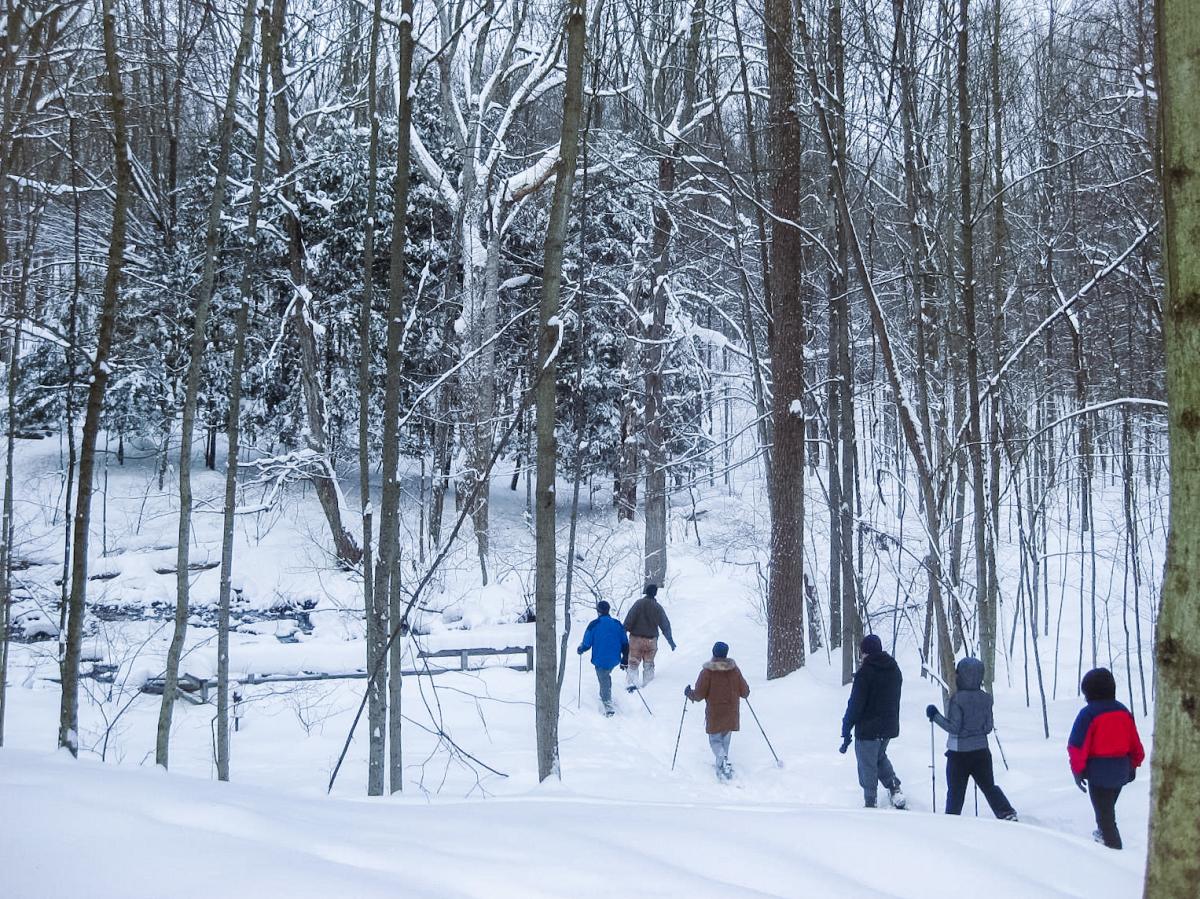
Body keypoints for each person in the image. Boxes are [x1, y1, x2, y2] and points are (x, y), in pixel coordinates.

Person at [925, 657, 1017, 820]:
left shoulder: (957, 699)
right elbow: (988, 727)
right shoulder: (986, 698)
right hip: (982, 751)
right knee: (989, 786)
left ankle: (951, 822)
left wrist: (935, 716)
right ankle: (1007, 812)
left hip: (959, 754)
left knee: (956, 792)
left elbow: (954, 728)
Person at [1067, 667, 1145, 849]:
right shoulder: (1123, 711)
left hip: (1099, 774)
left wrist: (1077, 771)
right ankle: (1104, 836)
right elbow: (1136, 745)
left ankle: (1114, 853)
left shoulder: (1088, 714)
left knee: (1106, 819)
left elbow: (1076, 746)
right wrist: (1133, 766)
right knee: (1107, 810)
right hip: (1121, 772)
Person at [840, 634, 906, 809]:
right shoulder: (894, 669)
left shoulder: (865, 673)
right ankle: (895, 789)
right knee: (879, 757)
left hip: (868, 729)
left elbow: (855, 704)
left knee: (867, 763)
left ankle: (870, 801)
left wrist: (846, 726)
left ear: (865, 652)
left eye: (862, 653)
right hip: (888, 728)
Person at [684, 642, 750, 781]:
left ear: (713, 653)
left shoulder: (707, 672)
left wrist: (689, 693)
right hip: (731, 712)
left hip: (715, 712)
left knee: (715, 740)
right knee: (725, 739)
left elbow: (699, 695)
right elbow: (745, 692)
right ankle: (723, 763)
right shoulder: (734, 670)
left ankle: (722, 759)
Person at [577, 601, 629, 716]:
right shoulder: (617, 623)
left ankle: (608, 705)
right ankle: (605, 694)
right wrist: (625, 658)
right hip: (615, 658)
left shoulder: (594, 624)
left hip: (600, 658)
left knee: (603, 677)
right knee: (605, 676)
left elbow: (587, 643)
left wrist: (581, 649)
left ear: (598, 611)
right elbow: (625, 642)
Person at [622, 582, 675, 691]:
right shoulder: (658, 607)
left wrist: (622, 634)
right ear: (655, 594)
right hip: (651, 641)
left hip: (636, 639)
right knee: (649, 664)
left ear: (646, 592)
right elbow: (665, 625)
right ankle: (649, 687)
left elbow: (629, 620)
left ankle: (632, 685)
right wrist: (671, 641)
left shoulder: (638, 604)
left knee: (633, 662)